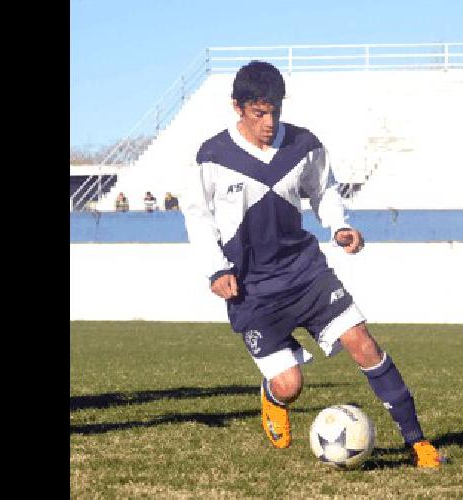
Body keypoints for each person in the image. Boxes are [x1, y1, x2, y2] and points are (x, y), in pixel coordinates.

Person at [182, 60, 442, 468]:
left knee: (363, 343)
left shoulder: (304, 145)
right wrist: (216, 269)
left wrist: (339, 225)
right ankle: (273, 396)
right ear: (238, 108)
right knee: (290, 385)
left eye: (275, 111)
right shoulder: (213, 155)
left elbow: (324, 192)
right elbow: (198, 216)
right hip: (252, 289)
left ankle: (418, 442)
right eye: (259, 113)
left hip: (305, 273)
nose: (269, 122)